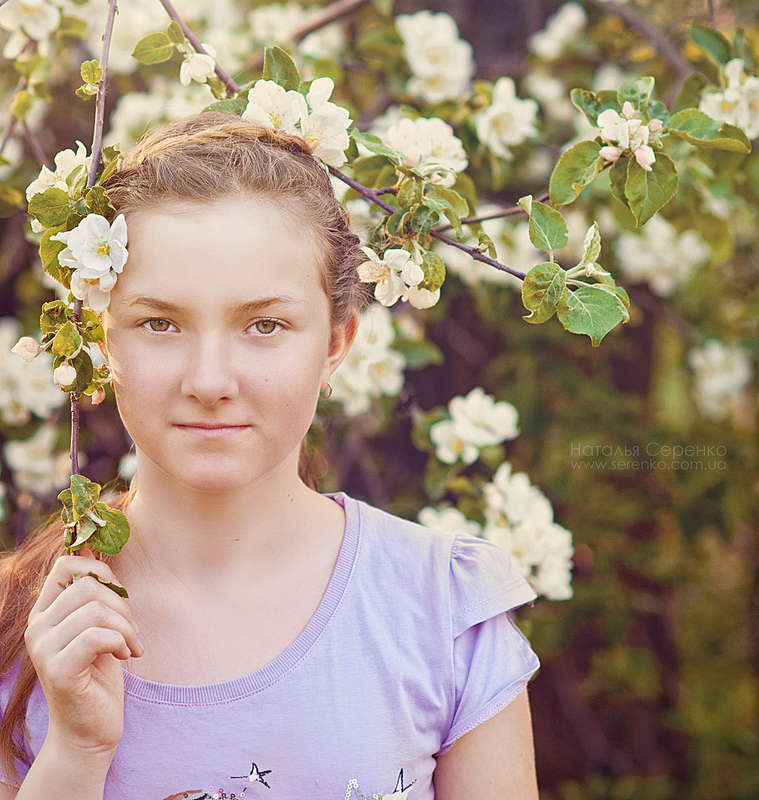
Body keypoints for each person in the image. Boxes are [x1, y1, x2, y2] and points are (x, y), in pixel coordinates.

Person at [0, 113, 541, 799]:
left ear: (336, 344)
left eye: (265, 325)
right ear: (102, 341)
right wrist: (76, 752)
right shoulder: (23, 627)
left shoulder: (440, 609)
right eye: (158, 323)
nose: (210, 381)